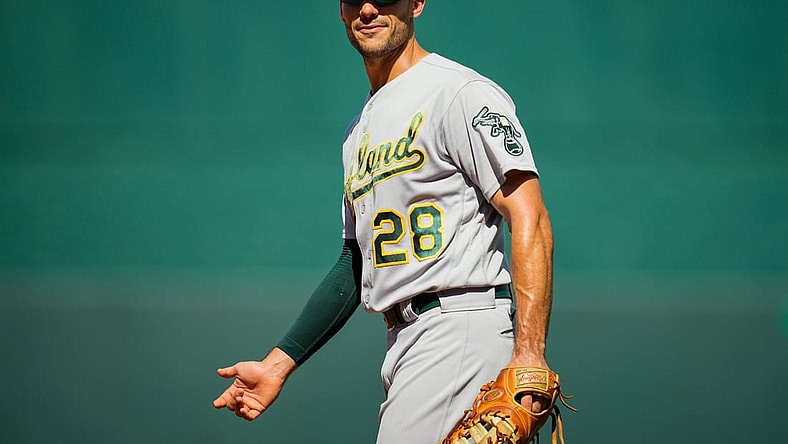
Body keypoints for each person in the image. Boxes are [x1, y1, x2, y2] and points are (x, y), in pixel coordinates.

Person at [213, 1, 558, 442]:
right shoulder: (359, 130)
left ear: (416, 3)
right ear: (341, 11)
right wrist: (277, 364)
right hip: (406, 342)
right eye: (356, 0)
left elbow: (530, 217)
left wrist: (529, 351)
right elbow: (355, 263)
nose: (369, 9)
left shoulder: (459, 93)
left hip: (458, 325)